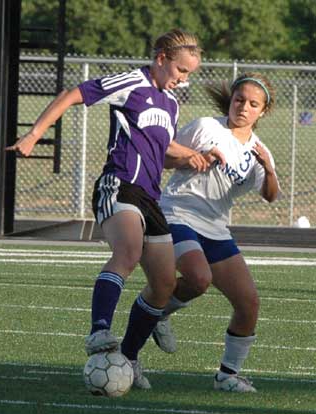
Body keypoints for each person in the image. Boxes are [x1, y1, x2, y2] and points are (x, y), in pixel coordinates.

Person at [6, 29, 210, 390]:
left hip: (151, 197)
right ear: (161, 58)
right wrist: (34, 134)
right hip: (119, 185)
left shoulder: (170, 103)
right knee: (128, 252)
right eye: (181, 70)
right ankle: (99, 330)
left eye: (190, 73)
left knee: (163, 286)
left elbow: (159, 155)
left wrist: (191, 159)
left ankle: (129, 358)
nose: (185, 78)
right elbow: (73, 94)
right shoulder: (132, 81)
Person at [152, 72, 280, 392]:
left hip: (215, 226)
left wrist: (269, 168)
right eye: (240, 100)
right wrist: (196, 158)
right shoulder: (207, 127)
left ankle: (228, 375)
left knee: (248, 303)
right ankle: (156, 315)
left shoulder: (258, 151)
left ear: (262, 112)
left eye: (253, 104)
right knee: (198, 278)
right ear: (231, 100)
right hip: (178, 211)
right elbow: (166, 157)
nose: (244, 107)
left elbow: (271, 195)